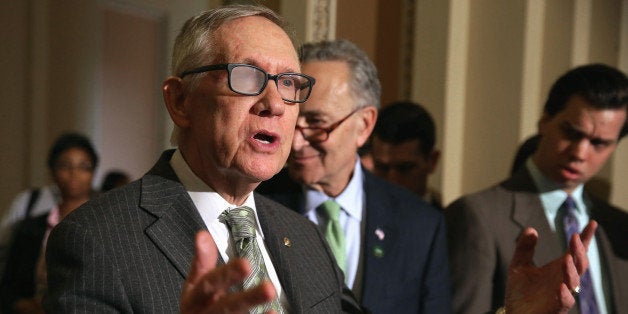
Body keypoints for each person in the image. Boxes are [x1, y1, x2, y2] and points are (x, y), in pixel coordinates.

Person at [43, 5, 362, 313]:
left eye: (288, 82)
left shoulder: (308, 237)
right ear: (180, 101)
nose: (275, 104)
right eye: (248, 76)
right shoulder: (94, 239)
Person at [256, 39, 451, 313]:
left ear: (364, 125)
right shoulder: (252, 205)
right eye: (293, 119)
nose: (296, 143)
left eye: (317, 124)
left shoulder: (419, 224)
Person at [445, 63, 628, 313]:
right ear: (544, 121)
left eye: (599, 143)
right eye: (571, 133)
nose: (580, 153)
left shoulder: (618, 227)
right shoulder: (479, 215)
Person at [1, 132, 98, 313]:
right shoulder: (31, 227)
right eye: (65, 165)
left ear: (93, 173)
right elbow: (8, 287)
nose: (74, 173)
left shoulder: (106, 222)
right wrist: (25, 306)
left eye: (83, 166)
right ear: (52, 171)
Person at [369, 101, 443, 209]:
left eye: (404, 169)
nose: (392, 181)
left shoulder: (450, 223)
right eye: (382, 168)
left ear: (432, 161)